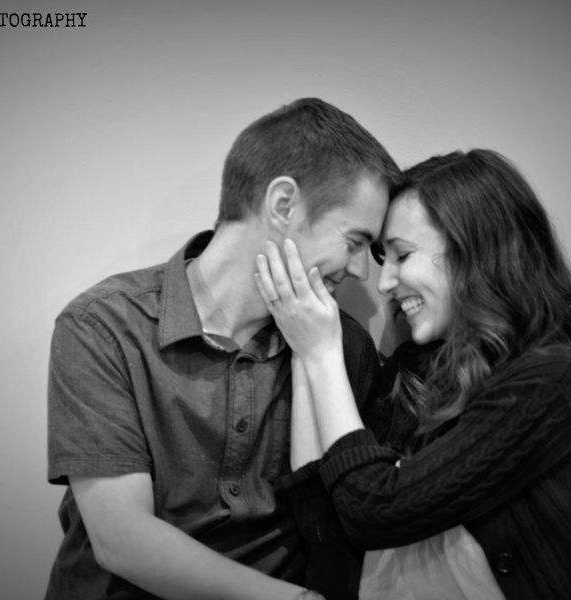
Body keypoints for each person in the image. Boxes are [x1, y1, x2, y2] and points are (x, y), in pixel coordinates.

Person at [44, 97, 401, 600]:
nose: (364, 272)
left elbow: (338, 522)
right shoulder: (104, 326)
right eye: (356, 241)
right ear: (283, 205)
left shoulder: (344, 348)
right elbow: (121, 540)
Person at [255, 149, 571, 600]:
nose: (384, 282)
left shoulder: (551, 380)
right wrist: (306, 352)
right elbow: (325, 524)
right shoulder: (413, 373)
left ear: (474, 248)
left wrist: (323, 356)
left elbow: (376, 509)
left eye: (402, 255)